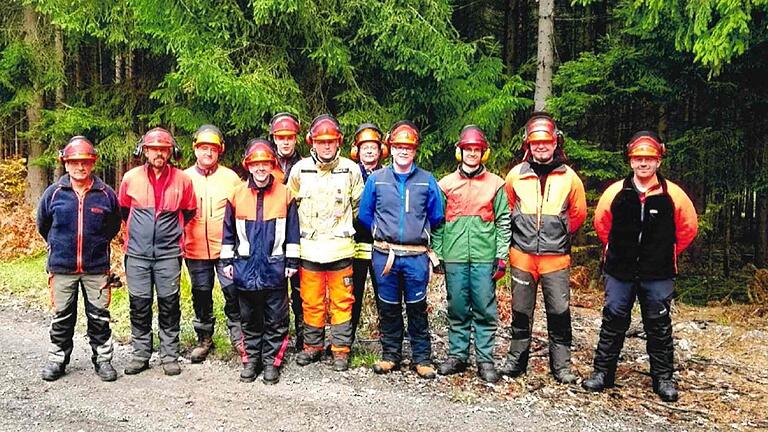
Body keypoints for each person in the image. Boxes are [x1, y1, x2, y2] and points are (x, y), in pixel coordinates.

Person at [583, 131, 698, 402]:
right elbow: (602, 225)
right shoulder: (616, 192)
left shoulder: (674, 195)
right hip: (620, 271)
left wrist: (664, 252)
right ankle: (602, 373)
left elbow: (687, 229)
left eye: (649, 158)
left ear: (658, 161)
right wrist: (619, 250)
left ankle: (663, 379)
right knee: (613, 319)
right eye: (638, 158)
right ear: (630, 160)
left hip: (657, 273)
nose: (643, 163)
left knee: (658, 323)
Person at [500, 112, 587, 383]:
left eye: (546, 142)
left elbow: (578, 214)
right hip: (522, 255)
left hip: (555, 258)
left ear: (555, 143)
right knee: (521, 312)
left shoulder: (569, 178)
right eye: (535, 143)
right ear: (528, 144)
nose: (541, 147)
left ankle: (561, 367)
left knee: (559, 313)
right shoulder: (516, 175)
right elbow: (507, 208)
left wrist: (557, 233)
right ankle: (516, 362)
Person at [358, 120, 444, 379]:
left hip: (416, 256)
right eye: (399, 146)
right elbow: (365, 214)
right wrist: (382, 233)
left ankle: (422, 357)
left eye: (409, 147)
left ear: (415, 150)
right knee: (388, 306)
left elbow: (437, 216)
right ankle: (390, 355)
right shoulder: (377, 180)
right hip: (386, 255)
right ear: (391, 148)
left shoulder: (427, 181)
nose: (403, 151)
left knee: (418, 307)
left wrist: (417, 235)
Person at [36, 136, 122, 382]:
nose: (80, 167)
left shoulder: (105, 194)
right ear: (66, 164)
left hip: (96, 268)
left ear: (92, 163)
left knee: (99, 316)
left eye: (85, 162)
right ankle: (57, 359)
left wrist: (97, 246)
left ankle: (103, 360)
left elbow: (113, 225)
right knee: (62, 316)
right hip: (62, 268)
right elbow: (43, 225)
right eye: (74, 162)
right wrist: (59, 247)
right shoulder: (53, 194)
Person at [432, 125, 511, 383]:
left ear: (483, 153)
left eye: (477, 150)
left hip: (483, 256)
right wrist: (439, 254)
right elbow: (438, 223)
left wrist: (501, 256)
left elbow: (503, 221)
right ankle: (457, 355)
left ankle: (485, 360)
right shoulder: (445, 184)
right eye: (468, 149)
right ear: (460, 152)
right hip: (454, 256)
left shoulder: (496, 184)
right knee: (456, 307)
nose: (472, 154)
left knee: (484, 308)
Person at [287, 114, 365, 371]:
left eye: (331, 141)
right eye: (322, 142)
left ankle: (341, 350)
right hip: (309, 250)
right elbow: (292, 208)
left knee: (343, 301)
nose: (327, 146)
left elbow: (358, 208)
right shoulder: (300, 170)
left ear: (339, 142)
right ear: (312, 142)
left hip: (341, 249)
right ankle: (312, 347)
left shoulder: (350, 170)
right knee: (311, 300)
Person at [221, 139, 300, 384]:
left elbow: (293, 233)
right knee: (249, 319)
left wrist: (292, 262)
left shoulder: (285, 194)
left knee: (276, 320)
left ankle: (271, 363)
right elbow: (228, 233)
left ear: (271, 165)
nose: (261, 168)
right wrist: (227, 263)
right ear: (249, 166)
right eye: (256, 164)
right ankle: (251, 360)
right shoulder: (236, 195)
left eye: (265, 163)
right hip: (244, 269)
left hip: (275, 268)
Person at [119, 127, 196, 376]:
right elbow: (123, 210)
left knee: (169, 304)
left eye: (163, 149)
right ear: (145, 151)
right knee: (139, 305)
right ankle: (141, 354)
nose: (159, 154)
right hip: (138, 254)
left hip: (168, 255)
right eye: (154, 149)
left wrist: (171, 233)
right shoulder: (131, 178)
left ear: (170, 152)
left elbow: (190, 210)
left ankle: (169, 355)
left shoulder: (183, 179)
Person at [183, 124, 244, 363]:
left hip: (226, 249)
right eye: (203, 148)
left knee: (233, 291)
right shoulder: (185, 178)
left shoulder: (231, 178)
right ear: (195, 149)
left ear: (220, 151)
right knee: (201, 294)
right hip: (194, 247)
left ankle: (239, 336)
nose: (208, 153)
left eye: (213, 149)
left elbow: (243, 212)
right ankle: (204, 338)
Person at [268, 112, 304, 351]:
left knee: (301, 292)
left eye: (290, 137)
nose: (285, 142)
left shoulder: (305, 166)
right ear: (274, 138)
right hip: (272, 236)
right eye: (281, 137)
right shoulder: (264, 166)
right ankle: (278, 340)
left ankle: (303, 338)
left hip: (301, 235)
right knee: (275, 292)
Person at [349, 122, 387, 343]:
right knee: (352, 296)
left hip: (381, 243)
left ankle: (388, 341)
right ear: (357, 151)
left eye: (373, 147)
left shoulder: (388, 174)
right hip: (356, 243)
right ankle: (348, 339)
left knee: (386, 295)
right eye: (365, 148)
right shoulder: (350, 173)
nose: (370, 151)